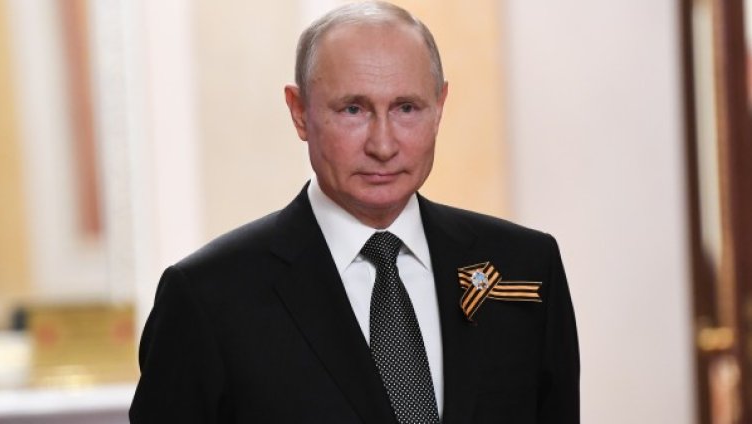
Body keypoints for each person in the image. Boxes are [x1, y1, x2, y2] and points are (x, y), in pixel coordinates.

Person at [129, 1, 579, 423]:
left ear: (439, 107)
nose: (382, 145)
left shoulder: (526, 265)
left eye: (406, 108)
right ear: (299, 112)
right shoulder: (207, 298)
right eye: (353, 109)